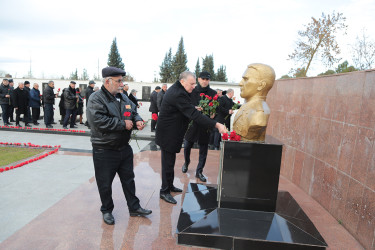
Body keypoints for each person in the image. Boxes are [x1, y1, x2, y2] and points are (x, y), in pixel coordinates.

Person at [86, 66, 152, 225]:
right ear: (108, 82)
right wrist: (123, 124)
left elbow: (132, 111)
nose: (122, 84)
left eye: (122, 80)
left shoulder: (123, 98)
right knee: (105, 182)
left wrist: (137, 120)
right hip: (104, 149)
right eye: (119, 81)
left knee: (129, 179)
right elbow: (98, 121)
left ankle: (134, 207)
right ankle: (107, 210)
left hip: (123, 148)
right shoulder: (96, 98)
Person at [156, 71, 227, 204]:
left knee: (170, 162)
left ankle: (169, 186)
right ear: (183, 81)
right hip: (168, 134)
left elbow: (184, 108)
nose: (194, 86)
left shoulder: (179, 89)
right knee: (167, 163)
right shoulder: (178, 93)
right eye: (192, 84)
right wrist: (216, 124)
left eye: (195, 83)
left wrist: (192, 107)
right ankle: (164, 191)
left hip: (172, 132)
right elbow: (194, 115)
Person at [182, 71, 217, 182]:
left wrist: (213, 112)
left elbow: (215, 107)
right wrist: (194, 108)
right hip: (192, 124)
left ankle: (199, 171)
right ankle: (186, 162)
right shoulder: (192, 90)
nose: (205, 81)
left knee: (203, 149)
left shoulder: (213, 93)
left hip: (205, 125)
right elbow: (186, 104)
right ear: (198, 79)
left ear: (209, 80)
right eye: (203, 79)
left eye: (207, 79)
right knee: (187, 146)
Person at [233, 63, 275, 142]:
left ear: (261, 85)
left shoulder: (258, 113)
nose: (240, 83)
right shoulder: (247, 106)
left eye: (246, 79)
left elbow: (257, 123)